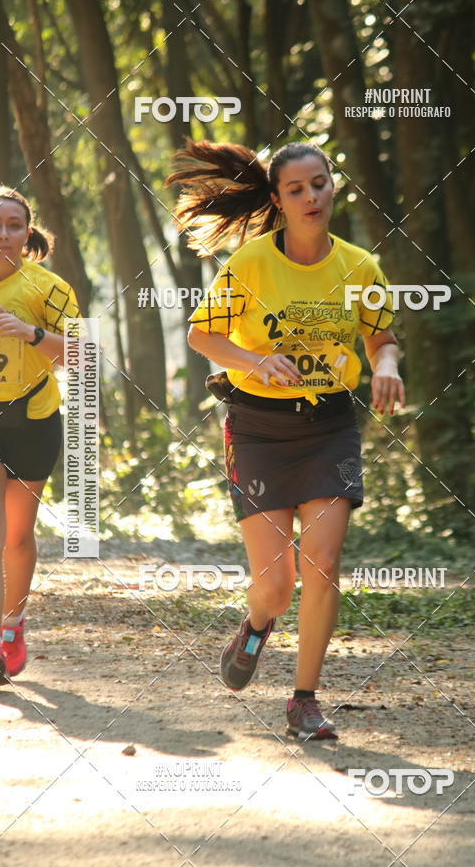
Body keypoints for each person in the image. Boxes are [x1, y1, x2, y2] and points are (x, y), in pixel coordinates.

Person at [168, 141, 404, 740]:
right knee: (276, 589)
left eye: (319, 184)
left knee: (323, 562)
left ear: (333, 186)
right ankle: (256, 624)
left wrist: (386, 366)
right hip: (258, 429)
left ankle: (304, 700)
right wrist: (256, 360)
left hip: (329, 427)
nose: (311, 197)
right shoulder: (249, 264)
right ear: (278, 199)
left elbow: (382, 339)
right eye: (296, 189)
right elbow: (202, 337)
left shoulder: (360, 267)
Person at [0, 187, 80, 686]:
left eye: (13, 225)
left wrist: (31, 334)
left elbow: (84, 355)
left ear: (28, 233)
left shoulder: (48, 287)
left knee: (18, 535)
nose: (3, 234)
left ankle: (12, 627)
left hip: (33, 417)